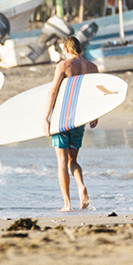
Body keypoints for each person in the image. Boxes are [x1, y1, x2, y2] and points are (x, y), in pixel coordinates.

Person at [43, 37, 100, 211]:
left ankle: (67, 203)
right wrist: (95, 114)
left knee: (62, 162)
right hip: (79, 119)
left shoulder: (63, 65)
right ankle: (81, 185)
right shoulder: (92, 67)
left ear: (67, 50)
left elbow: (53, 91)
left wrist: (46, 118)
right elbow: (96, 92)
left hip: (61, 119)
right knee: (72, 160)